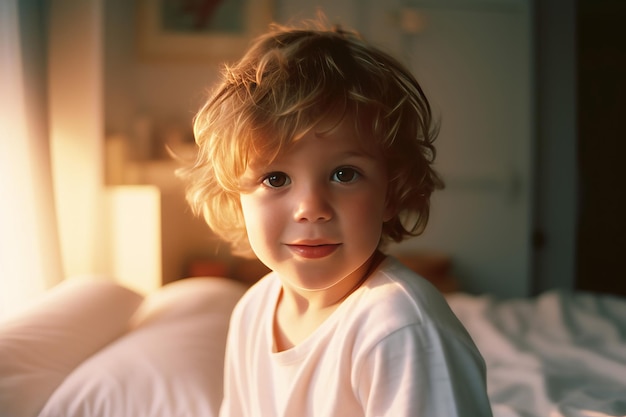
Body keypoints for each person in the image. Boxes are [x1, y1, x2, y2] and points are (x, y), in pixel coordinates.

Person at [179, 16, 493, 417]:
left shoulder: (399, 329)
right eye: (276, 178)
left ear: (392, 192)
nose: (310, 207)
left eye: (344, 174)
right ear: (235, 195)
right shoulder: (252, 312)